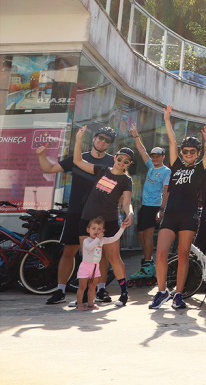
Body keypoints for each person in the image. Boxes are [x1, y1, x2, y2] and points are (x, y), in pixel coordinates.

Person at [149, 107, 206, 310]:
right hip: (171, 214)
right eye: (186, 151)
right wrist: (167, 119)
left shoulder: (200, 169)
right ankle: (162, 291)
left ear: (197, 154)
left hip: (189, 217)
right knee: (162, 253)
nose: (188, 154)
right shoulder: (175, 165)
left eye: (192, 152)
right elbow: (172, 141)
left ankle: (179, 295)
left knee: (183, 255)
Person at [36, 125, 117, 306]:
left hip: (99, 215)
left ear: (109, 144)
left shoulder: (113, 162)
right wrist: (41, 155)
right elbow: (49, 169)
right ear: (95, 138)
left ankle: (101, 289)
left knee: (100, 253)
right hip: (75, 211)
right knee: (69, 251)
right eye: (100, 137)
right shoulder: (79, 158)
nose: (102, 141)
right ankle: (61, 291)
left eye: (107, 140)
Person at [70, 128, 135, 307]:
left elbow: (126, 201)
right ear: (115, 158)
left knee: (114, 258)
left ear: (129, 164)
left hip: (109, 222)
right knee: (87, 258)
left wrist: (130, 212)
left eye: (126, 161)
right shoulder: (101, 170)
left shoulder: (126, 180)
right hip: (88, 220)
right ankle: (83, 298)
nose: (122, 162)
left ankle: (123, 294)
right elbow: (77, 161)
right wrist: (79, 139)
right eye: (120, 158)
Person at [129, 123, 171, 284]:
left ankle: (147, 265)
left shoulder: (166, 171)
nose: (154, 158)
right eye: (153, 156)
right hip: (145, 206)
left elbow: (167, 192)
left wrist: (162, 209)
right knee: (141, 235)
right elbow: (142, 150)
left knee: (147, 235)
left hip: (154, 206)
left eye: (158, 156)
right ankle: (149, 263)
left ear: (163, 157)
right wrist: (135, 135)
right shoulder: (150, 166)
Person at [75, 218, 125, 310]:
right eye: (93, 228)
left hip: (95, 267)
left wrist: (122, 228)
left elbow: (114, 238)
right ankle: (79, 304)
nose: (96, 231)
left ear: (103, 231)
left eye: (99, 229)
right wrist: (98, 239)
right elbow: (89, 248)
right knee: (82, 286)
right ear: (88, 230)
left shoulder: (102, 240)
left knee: (93, 287)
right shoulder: (87, 240)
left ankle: (90, 303)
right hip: (85, 266)